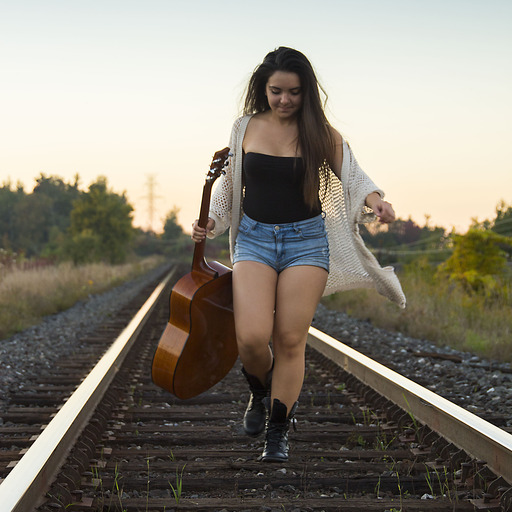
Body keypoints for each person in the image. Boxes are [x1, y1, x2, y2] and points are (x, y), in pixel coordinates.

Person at [192, 47, 405, 462]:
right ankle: (259, 390)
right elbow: (229, 187)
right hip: (253, 239)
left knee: (290, 339)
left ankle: (278, 429)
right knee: (251, 338)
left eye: (293, 92)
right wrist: (212, 223)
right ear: (263, 89)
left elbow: (355, 176)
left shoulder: (322, 135)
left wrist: (376, 200)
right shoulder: (245, 128)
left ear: (307, 92)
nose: (285, 100)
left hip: (307, 242)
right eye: (276, 92)